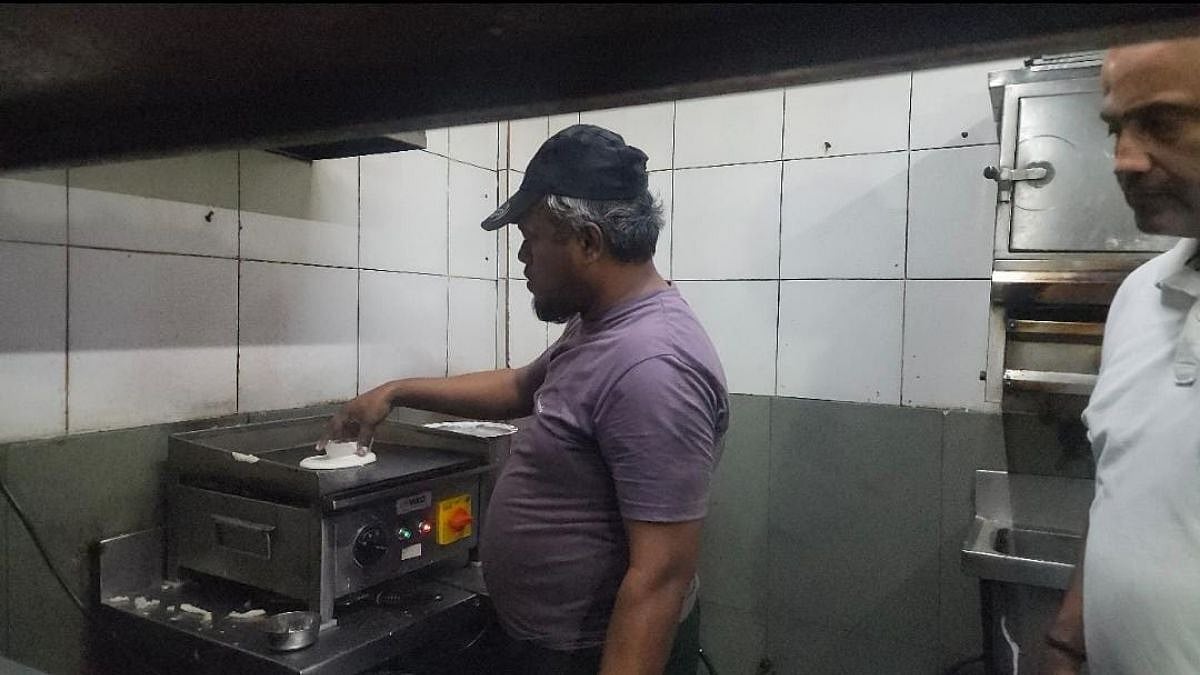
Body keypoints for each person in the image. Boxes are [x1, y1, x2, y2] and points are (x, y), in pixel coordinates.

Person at [323, 124, 729, 675]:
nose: (521, 256)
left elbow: (659, 578)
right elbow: (521, 386)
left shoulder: (654, 366)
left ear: (588, 242)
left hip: (591, 656)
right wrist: (395, 391)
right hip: (549, 645)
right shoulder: (600, 324)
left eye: (531, 237)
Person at [1042, 36, 1200, 675]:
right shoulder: (1140, 294)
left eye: (1162, 122)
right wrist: (1066, 640)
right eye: (1116, 129)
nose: (1123, 161)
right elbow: (1122, 488)